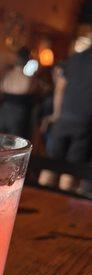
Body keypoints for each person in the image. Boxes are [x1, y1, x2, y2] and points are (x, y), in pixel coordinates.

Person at [39, 46, 92, 190]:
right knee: (71, 169)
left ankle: (42, 200)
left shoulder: (76, 58)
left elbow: (60, 87)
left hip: (64, 119)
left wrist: (56, 114)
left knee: (51, 165)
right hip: (85, 122)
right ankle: (60, 206)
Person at [0, 47, 35, 138]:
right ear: (27, 61)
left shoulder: (6, 76)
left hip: (3, 110)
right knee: (14, 143)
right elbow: (32, 96)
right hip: (18, 113)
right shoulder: (28, 80)